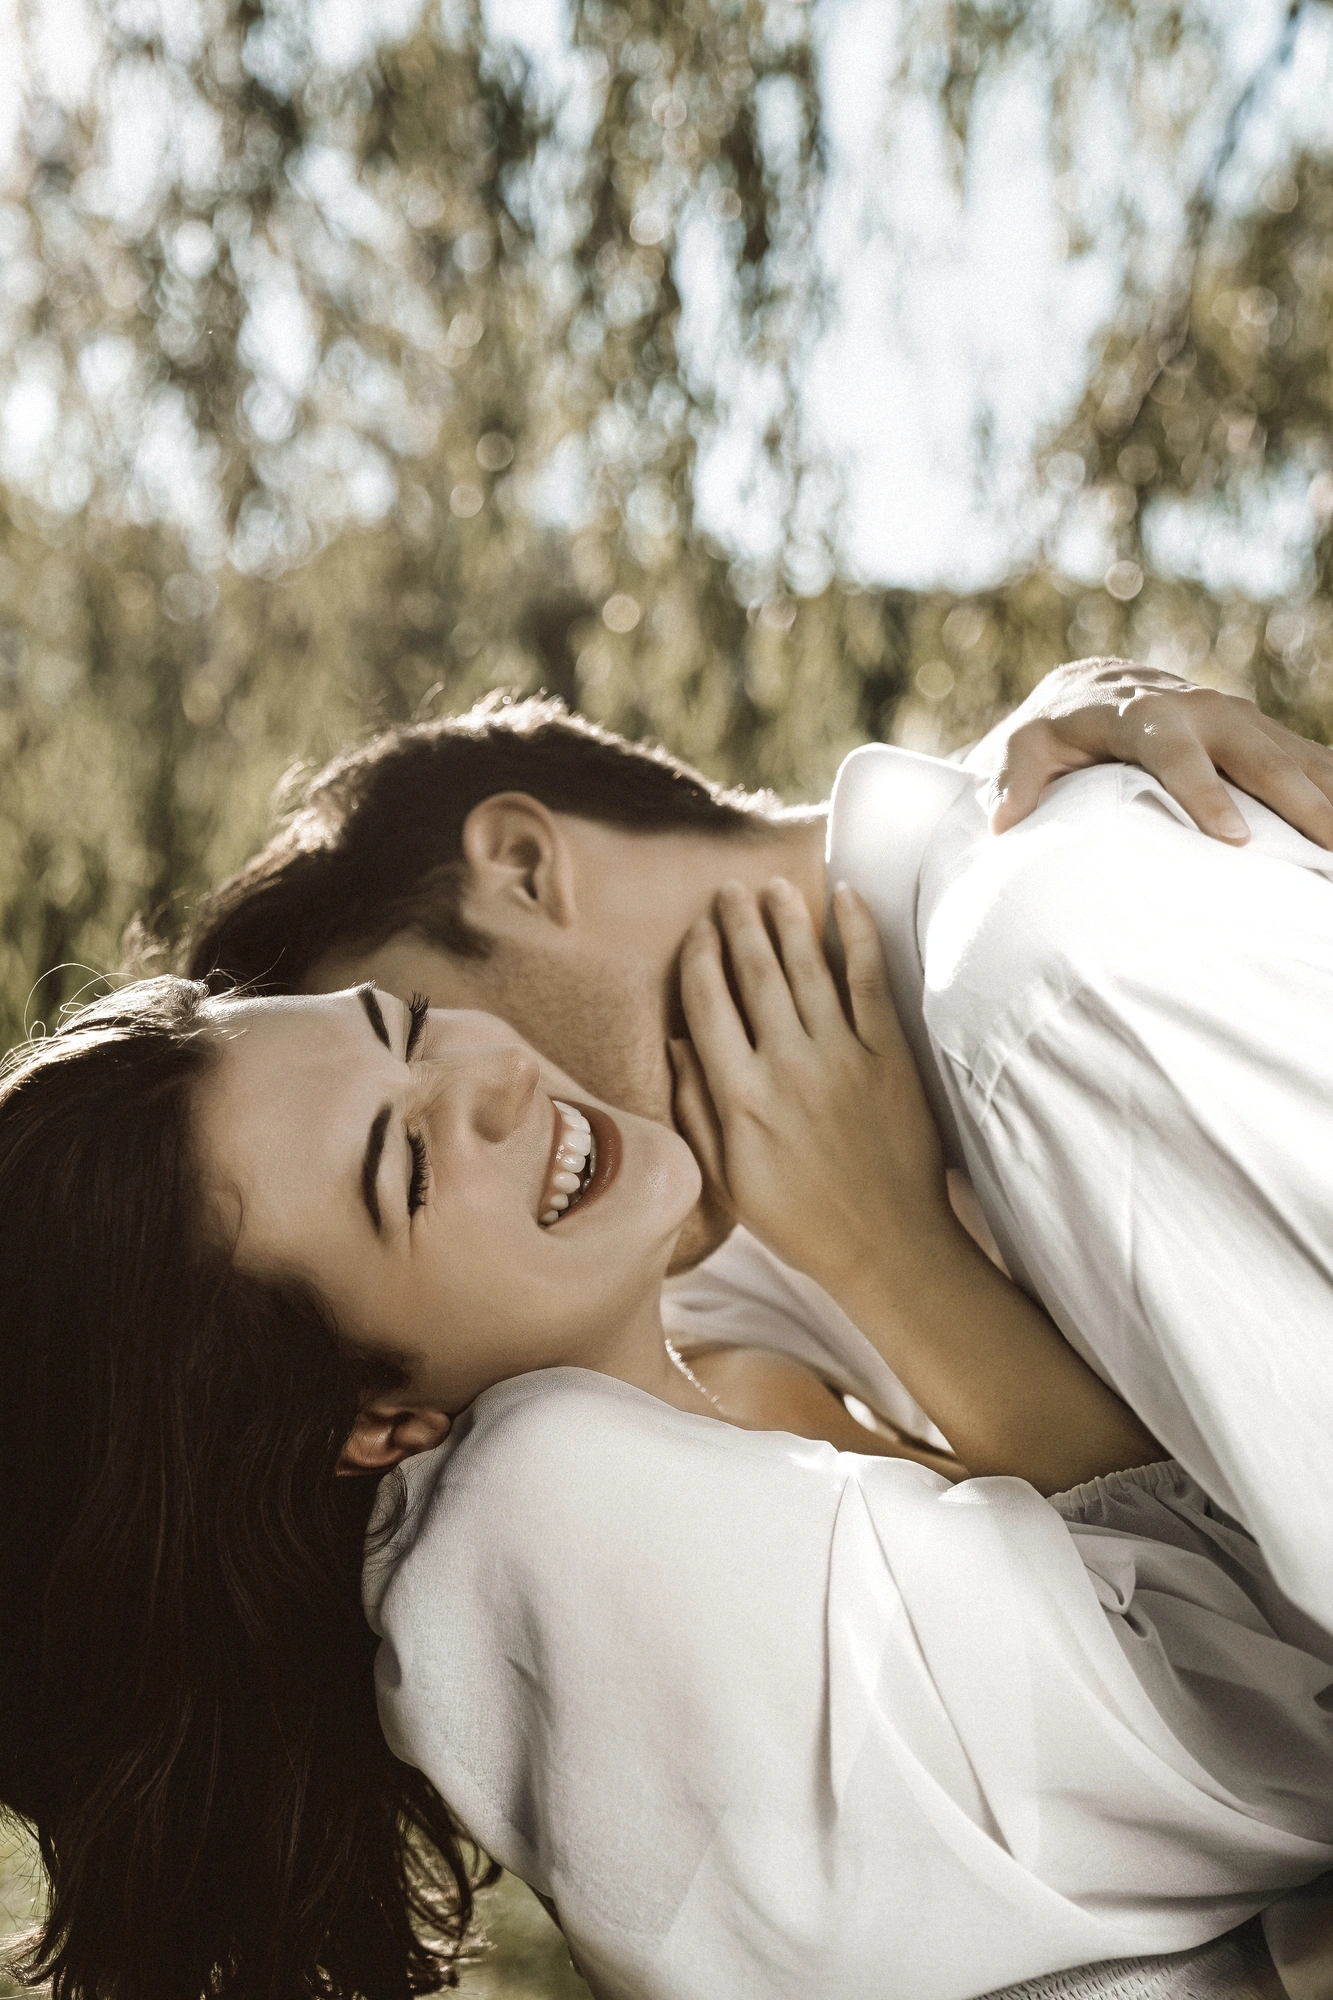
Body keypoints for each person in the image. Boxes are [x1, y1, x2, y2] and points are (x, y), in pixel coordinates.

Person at [2, 894, 1332, 2000]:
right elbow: (1292, 1704)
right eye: (406, 1166)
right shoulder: (552, 1527)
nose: (497, 1076)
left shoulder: (695, 1359)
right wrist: (887, 1247)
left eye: (406, 1027)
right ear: (370, 1424)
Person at [184, 658, 1333, 1629]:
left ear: (527, 868)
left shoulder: (1050, 981)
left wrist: (895, 1254)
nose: (492, 1097)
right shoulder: (730, 1241)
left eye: (420, 1027)